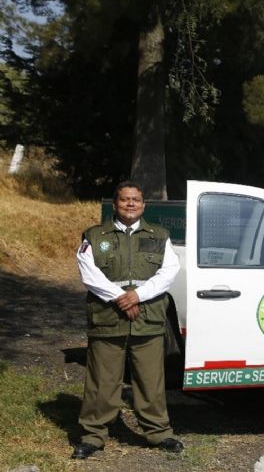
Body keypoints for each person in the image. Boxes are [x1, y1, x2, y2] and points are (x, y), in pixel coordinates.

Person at [72, 181, 184, 459]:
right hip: (108, 317)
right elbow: (89, 273)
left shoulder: (159, 236)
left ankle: (159, 433)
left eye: (135, 199)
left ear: (143, 205)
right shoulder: (95, 236)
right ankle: (93, 435)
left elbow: (169, 272)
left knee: (150, 381)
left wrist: (138, 296)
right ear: (115, 204)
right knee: (102, 380)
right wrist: (121, 298)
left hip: (148, 318)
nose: (130, 204)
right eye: (124, 200)